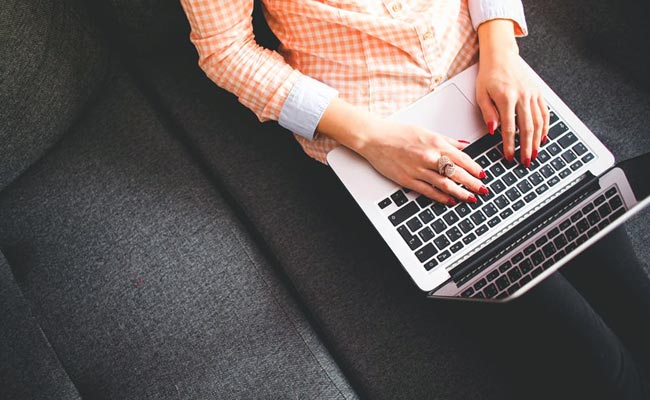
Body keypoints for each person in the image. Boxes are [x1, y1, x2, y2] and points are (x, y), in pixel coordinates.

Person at [180, 1, 650, 398]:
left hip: (485, 83)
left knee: (632, 298)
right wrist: (373, 138)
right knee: (596, 364)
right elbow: (226, 50)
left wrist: (503, 54)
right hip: (380, 139)